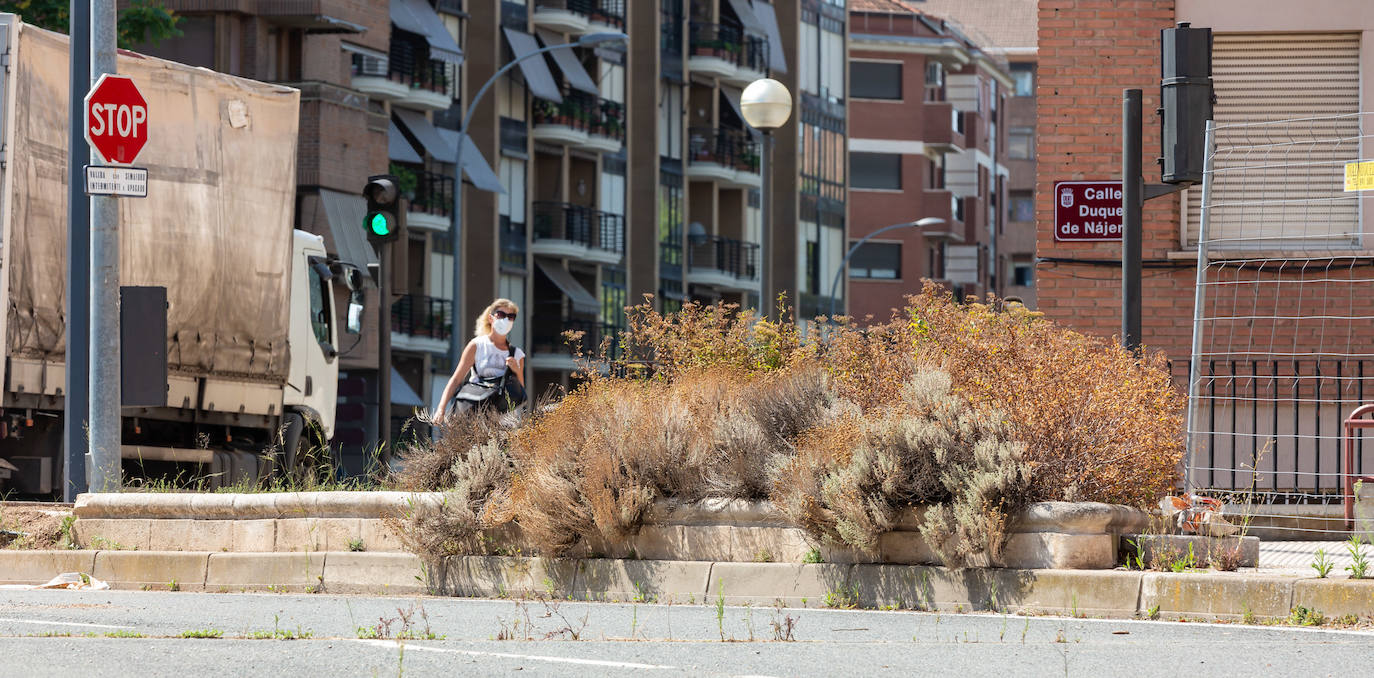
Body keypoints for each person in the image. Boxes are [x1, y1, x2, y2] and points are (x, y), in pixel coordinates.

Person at [433, 299, 526, 421]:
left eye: (511, 316)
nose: (506, 320)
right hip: (475, 409)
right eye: (501, 315)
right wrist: (441, 409)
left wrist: (517, 370)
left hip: (503, 415)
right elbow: (456, 379)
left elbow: (520, 390)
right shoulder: (477, 345)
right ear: (491, 318)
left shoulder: (517, 353)